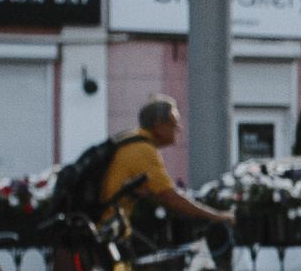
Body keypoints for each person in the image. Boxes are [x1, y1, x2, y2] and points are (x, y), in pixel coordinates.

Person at [101, 96, 238, 235]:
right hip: (106, 230)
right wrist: (217, 216)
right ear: (159, 125)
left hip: (103, 226)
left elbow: (159, 194)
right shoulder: (143, 149)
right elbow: (169, 197)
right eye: (174, 124)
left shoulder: (130, 140)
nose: (178, 129)